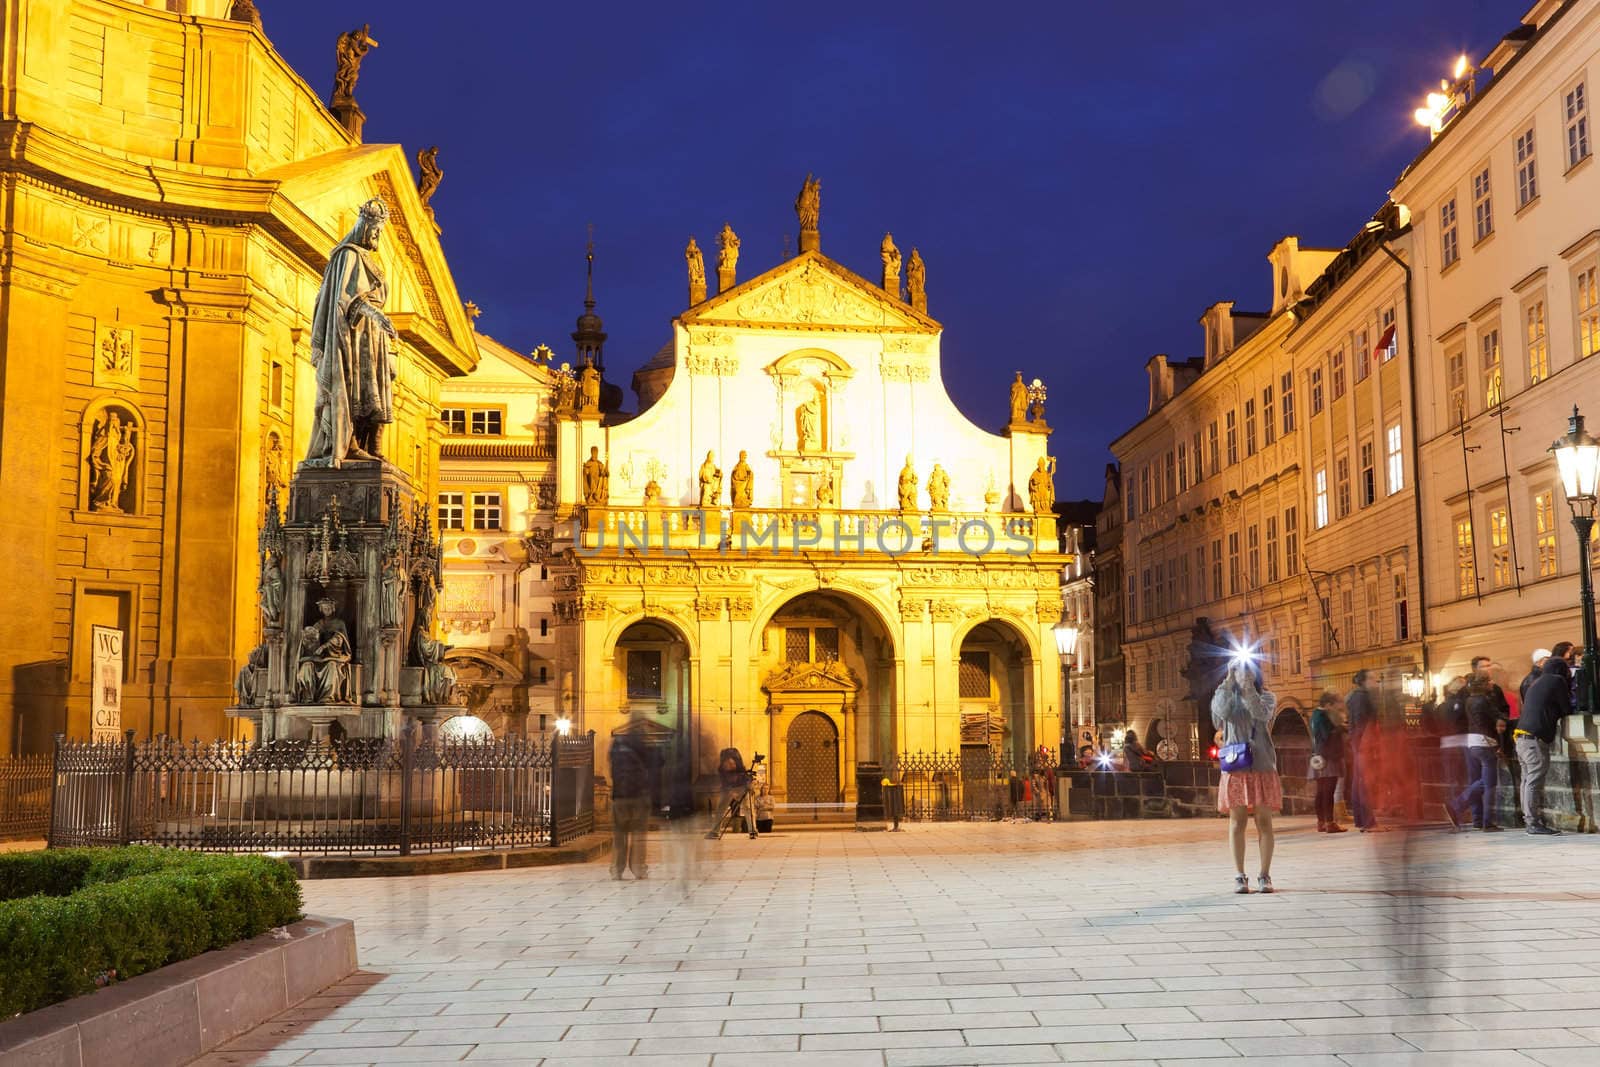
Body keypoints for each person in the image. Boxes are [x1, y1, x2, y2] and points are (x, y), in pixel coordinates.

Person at [1213, 660, 1281, 893]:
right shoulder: (1227, 697)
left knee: (1264, 821)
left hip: (1262, 765)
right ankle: (1240, 875)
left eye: (1247, 669)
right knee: (1237, 822)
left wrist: (1248, 687)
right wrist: (1228, 680)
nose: (1243, 673)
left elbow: (1261, 714)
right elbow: (1218, 714)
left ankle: (1265, 875)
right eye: (1238, 668)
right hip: (1236, 766)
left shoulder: (1268, 696)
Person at [1446, 666, 1508, 832]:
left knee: (1483, 782)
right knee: (1489, 784)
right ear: (1483, 684)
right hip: (1485, 742)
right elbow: (1497, 717)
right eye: (1489, 680)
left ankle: (1459, 806)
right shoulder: (1483, 700)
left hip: (1473, 741)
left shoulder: (1470, 700)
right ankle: (1484, 820)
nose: (1492, 683)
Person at [1517, 654, 1573, 835]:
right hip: (1535, 739)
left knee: (1527, 780)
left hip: (1521, 738)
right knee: (1533, 781)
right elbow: (1566, 708)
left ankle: (1529, 820)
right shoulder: (1557, 680)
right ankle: (1533, 823)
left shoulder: (1537, 682)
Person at [608, 725, 655, 880]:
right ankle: (638, 868)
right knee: (638, 835)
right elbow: (657, 764)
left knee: (619, 835)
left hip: (619, 797)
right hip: (639, 797)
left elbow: (612, 770)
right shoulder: (642, 747)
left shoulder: (616, 747)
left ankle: (616, 870)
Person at [1344, 670, 1378, 831]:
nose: (1376, 681)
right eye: (1372, 678)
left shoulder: (1353, 696)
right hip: (1363, 741)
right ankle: (1368, 821)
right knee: (1364, 781)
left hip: (1358, 741)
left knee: (1359, 780)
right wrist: (1364, 742)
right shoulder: (1361, 697)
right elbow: (1360, 721)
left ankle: (1361, 819)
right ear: (1363, 681)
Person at [1309, 692, 1347, 833]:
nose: (1338, 706)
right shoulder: (1323, 716)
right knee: (1328, 791)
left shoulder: (1314, 714)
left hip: (1318, 756)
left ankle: (1321, 822)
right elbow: (1326, 735)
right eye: (1336, 703)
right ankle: (1330, 822)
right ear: (1328, 704)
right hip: (1328, 757)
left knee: (1321, 791)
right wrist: (1341, 728)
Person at [714, 748, 757, 839]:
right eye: (727, 763)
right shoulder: (722, 770)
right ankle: (715, 831)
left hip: (742, 787)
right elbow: (724, 782)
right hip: (728, 789)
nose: (730, 765)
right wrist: (731, 792)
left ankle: (753, 831)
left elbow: (746, 779)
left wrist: (749, 785)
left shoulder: (741, 770)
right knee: (720, 808)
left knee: (748, 809)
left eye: (732, 763)